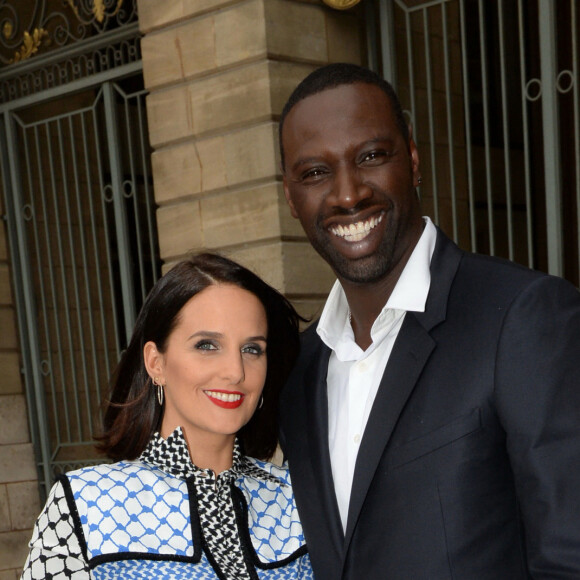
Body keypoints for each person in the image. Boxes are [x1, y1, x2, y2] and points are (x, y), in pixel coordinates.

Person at [278, 62, 580, 579]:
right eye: (315, 173)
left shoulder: (522, 316)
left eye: (371, 157)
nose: (349, 194)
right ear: (290, 197)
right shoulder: (296, 369)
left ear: (413, 160)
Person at [22, 253, 313, 579]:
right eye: (207, 345)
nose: (235, 372)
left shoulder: (295, 498)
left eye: (252, 349)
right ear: (156, 363)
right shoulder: (84, 505)